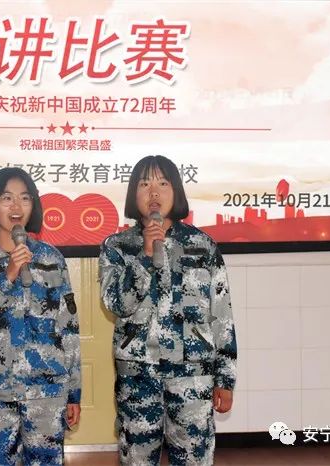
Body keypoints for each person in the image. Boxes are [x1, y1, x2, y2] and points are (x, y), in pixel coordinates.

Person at [99, 155, 237, 465]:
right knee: (137, 459)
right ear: (133, 193)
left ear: (176, 191)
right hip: (138, 375)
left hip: (193, 375)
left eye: (163, 183)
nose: (154, 192)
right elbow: (115, 304)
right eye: (144, 184)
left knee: (193, 458)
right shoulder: (116, 246)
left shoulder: (203, 245)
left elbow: (222, 316)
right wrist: (146, 256)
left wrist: (225, 379)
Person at [0, 167, 81, 465]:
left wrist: (73, 392)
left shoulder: (51, 258)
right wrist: (7, 276)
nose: (16, 206)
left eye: (25, 198)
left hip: (46, 392)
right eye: (6, 198)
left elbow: (68, 329)